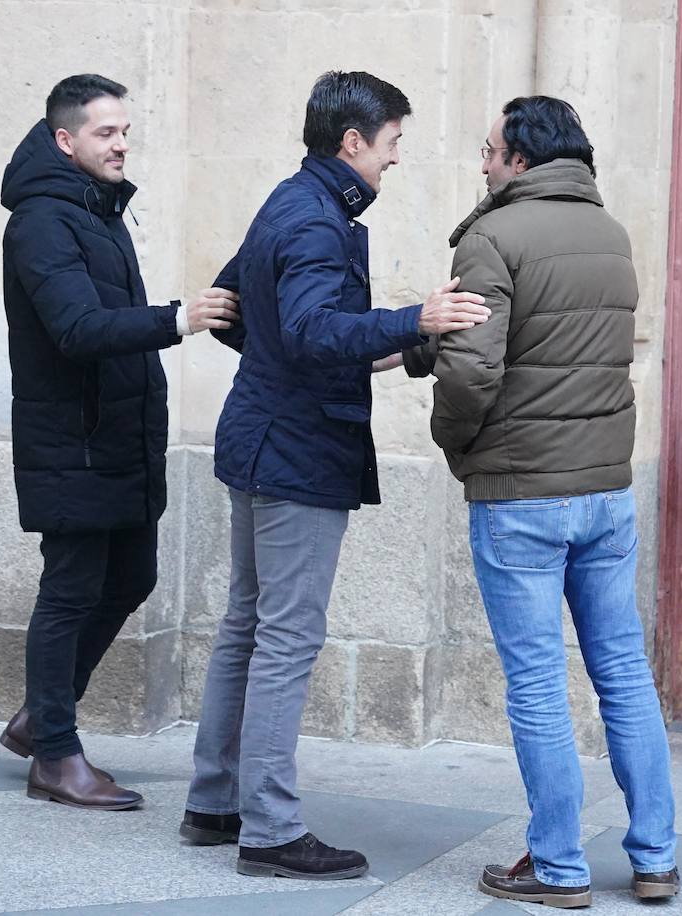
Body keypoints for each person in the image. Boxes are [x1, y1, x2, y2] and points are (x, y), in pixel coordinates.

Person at [180, 70, 490, 880]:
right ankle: (272, 830)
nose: (394, 162)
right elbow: (316, 330)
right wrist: (412, 319)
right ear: (352, 141)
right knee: (285, 636)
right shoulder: (320, 220)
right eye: (391, 146)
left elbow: (240, 310)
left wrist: (400, 348)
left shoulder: (289, 201)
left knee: (246, 626)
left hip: (262, 435)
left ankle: (214, 802)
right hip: (295, 453)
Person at [399, 97, 679, 907]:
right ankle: (657, 857)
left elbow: (474, 370)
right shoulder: (612, 233)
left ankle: (557, 867)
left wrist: (457, 448)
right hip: (603, 490)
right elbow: (556, 344)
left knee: (535, 683)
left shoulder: (493, 236)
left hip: (521, 493)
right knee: (624, 673)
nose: (481, 163)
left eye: (488, 151)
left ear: (522, 158)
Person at [0, 74, 239, 809]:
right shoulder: (42, 220)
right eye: (106, 133)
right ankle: (56, 756)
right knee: (69, 590)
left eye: (125, 131)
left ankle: (44, 714)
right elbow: (74, 329)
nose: (122, 144)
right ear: (65, 139)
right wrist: (177, 319)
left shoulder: (95, 210)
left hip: (117, 439)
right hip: (71, 441)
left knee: (131, 577)